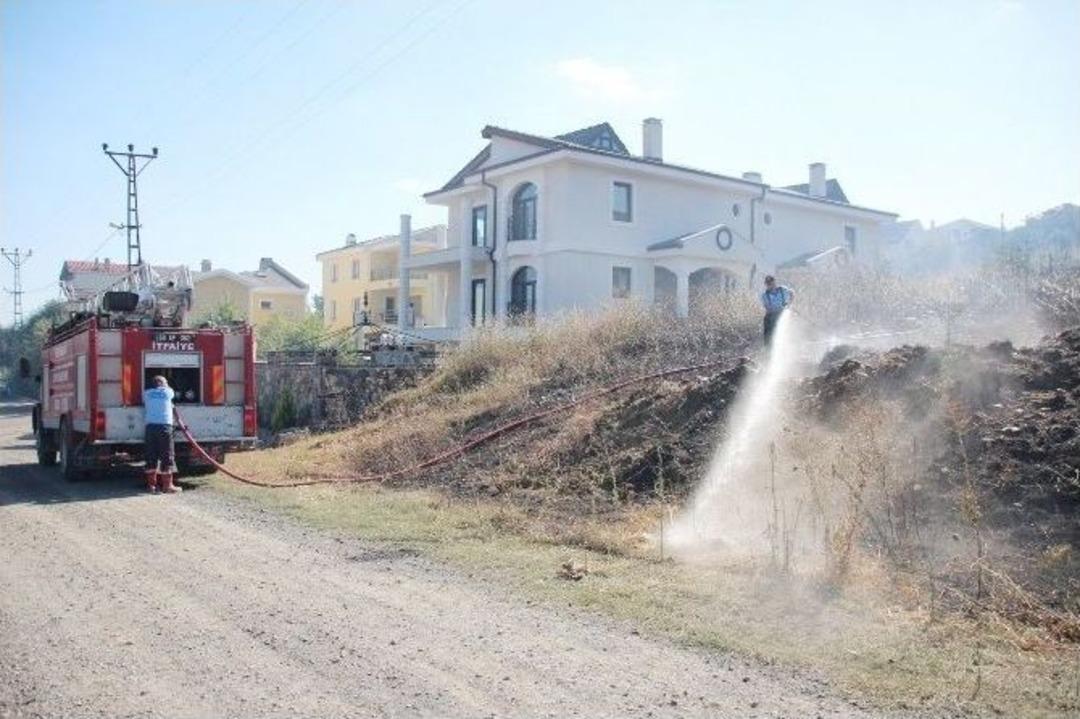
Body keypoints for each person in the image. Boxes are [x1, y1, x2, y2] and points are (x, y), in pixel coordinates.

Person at [143, 375, 181, 494]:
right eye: (166, 382)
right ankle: (167, 486)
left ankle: (151, 487)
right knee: (167, 456)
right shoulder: (168, 392)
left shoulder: (146, 393)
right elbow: (169, 392)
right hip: (164, 427)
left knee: (151, 456)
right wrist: (166, 384)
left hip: (150, 428)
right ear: (163, 384)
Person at [760, 275, 794, 347]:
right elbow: (768, 308)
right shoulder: (764, 295)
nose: (770, 285)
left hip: (782, 313)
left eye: (771, 283)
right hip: (771, 316)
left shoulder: (783, 289)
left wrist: (789, 304)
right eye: (768, 283)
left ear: (774, 282)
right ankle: (768, 351)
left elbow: (792, 293)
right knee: (769, 337)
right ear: (766, 284)